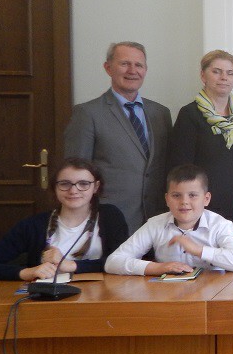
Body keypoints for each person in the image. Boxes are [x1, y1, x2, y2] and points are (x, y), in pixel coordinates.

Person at [63, 42, 172, 233]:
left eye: (139, 65)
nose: (132, 71)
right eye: (124, 64)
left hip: (157, 218)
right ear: (108, 68)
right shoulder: (87, 113)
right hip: (109, 219)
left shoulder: (161, 113)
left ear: (145, 70)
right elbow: (75, 172)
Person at [0, 159, 128, 281]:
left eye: (83, 184)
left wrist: (72, 265)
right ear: (54, 187)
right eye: (65, 184)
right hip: (48, 300)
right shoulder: (33, 225)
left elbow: (123, 261)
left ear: (96, 187)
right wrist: (27, 272)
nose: (73, 190)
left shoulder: (110, 216)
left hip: (100, 297)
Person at [105, 164, 233, 276]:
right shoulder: (155, 224)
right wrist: (158, 268)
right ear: (167, 199)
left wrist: (199, 250)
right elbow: (113, 262)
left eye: (192, 195)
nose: (184, 202)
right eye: (176, 196)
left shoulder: (219, 225)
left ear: (206, 199)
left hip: (212, 294)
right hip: (168, 295)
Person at [169, 50, 233, 226]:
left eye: (230, 73)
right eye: (217, 71)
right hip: (201, 209)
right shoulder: (189, 115)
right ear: (203, 75)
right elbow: (180, 168)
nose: (224, 77)